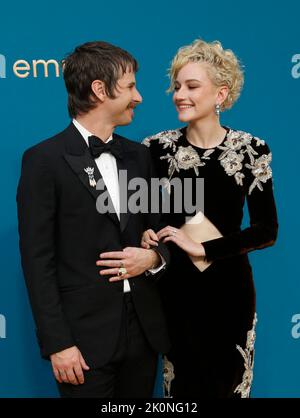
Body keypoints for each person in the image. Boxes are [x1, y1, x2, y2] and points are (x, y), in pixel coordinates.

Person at [17, 41, 171, 398]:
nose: (140, 97)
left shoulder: (138, 156)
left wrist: (153, 257)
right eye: (131, 86)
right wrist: (58, 344)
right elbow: (38, 262)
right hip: (82, 343)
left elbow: (162, 232)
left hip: (143, 335)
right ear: (100, 90)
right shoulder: (44, 160)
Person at [142, 39, 278, 398]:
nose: (179, 94)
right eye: (176, 86)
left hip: (230, 295)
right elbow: (141, 216)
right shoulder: (154, 149)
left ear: (221, 93)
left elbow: (267, 230)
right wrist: (146, 235)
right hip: (176, 294)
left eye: (191, 86)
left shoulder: (253, 149)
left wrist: (203, 246)